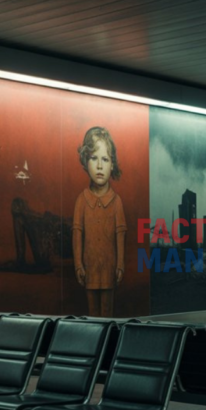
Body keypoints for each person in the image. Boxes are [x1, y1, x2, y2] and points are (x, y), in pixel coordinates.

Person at [72, 127, 126, 317]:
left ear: (112, 165)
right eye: (94, 158)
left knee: (107, 312)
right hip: (90, 269)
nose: (100, 166)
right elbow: (77, 233)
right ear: (85, 161)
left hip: (109, 269)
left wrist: (120, 265)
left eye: (105, 159)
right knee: (92, 313)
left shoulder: (116, 202)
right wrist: (78, 265)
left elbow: (120, 234)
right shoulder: (81, 200)